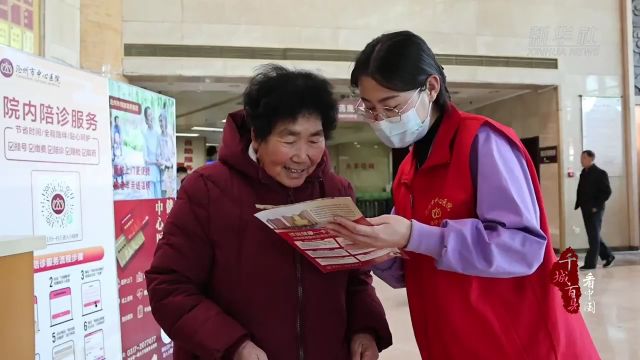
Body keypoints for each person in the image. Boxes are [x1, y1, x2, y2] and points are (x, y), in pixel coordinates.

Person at [326, 31, 599, 360]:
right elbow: (418, 267)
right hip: (452, 342)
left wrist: (413, 233)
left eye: (391, 106)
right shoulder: (409, 169)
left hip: (519, 343)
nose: (381, 120)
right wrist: (373, 252)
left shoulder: (482, 142)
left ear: (430, 88)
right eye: (371, 109)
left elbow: (524, 248)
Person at [146, 64, 392, 360]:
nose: (303, 155)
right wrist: (234, 345)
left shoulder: (336, 191)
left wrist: (364, 328)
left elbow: (356, 277)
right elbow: (169, 286)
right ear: (257, 137)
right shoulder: (207, 191)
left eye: (314, 139)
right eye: (289, 140)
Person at [575, 150, 614, 269]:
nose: (582, 160)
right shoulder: (583, 173)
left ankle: (590, 263)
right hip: (585, 208)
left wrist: (595, 207)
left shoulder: (600, 173)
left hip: (595, 209)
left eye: (584, 158)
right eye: (581, 158)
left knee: (593, 236)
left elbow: (607, 192)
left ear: (591, 159)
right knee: (593, 235)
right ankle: (608, 256)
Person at [143, 106, 162, 198]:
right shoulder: (145, 135)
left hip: (157, 171)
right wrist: (155, 162)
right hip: (150, 171)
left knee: (158, 196)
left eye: (151, 114)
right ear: (146, 119)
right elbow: (146, 159)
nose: (151, 117)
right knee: (151, 197)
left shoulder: (157, 133)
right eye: (149, 115)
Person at [157, 111, 175, 197]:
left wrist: (167, 163)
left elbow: (173, 154)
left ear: (166, 121)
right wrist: (163, 163)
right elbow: (158, 156)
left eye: (162, 120)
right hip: (163, 170)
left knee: (170, 194)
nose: (161, 123)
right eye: (159, 121)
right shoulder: (159, 138)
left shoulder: (170, 137)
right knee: (163, 194)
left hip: (170, 170)